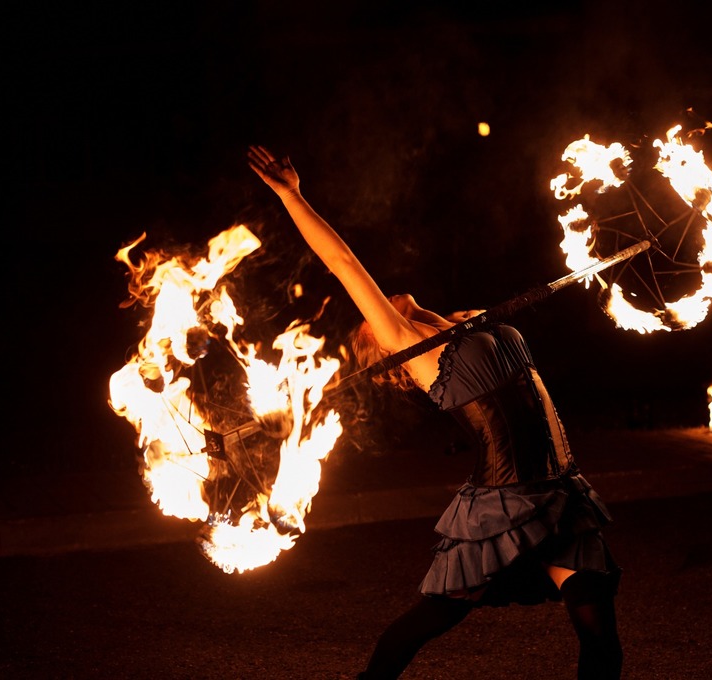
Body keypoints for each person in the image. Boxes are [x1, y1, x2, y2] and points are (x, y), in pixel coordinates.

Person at [248, 145, 623, 679]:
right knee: (434, 616)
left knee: (600, 634)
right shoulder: (415, 347)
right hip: (507, 501)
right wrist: (292, 196)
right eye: (372, 323)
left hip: (562, 495)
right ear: (384, 347)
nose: (381, 308)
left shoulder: (468, 322)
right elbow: (344, 263)